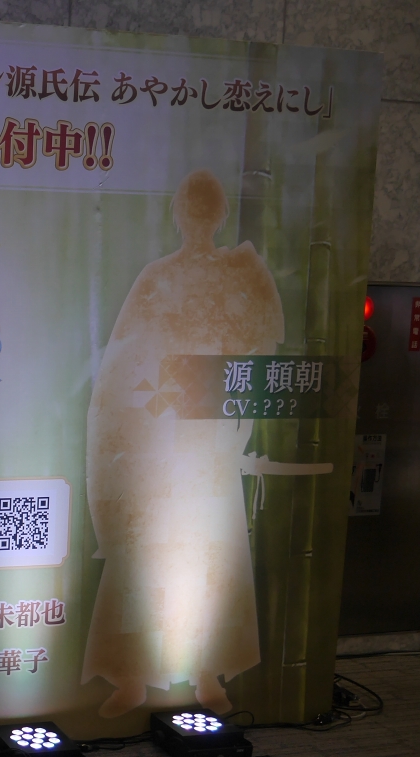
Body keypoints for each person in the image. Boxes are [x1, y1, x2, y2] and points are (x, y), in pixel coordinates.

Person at [82, 169, 284, 718]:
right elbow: (123, 362)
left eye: (206, 210)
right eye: (191, 210)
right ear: (179, 215)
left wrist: (236, 425)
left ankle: (205, 670)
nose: (198, 220)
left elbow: (257, 353)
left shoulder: (237, 276)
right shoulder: (156, 277)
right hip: (158, 437)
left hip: (209, 438)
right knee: (144, 551)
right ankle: (132, 675)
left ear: (218, 216)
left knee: (210, 551)